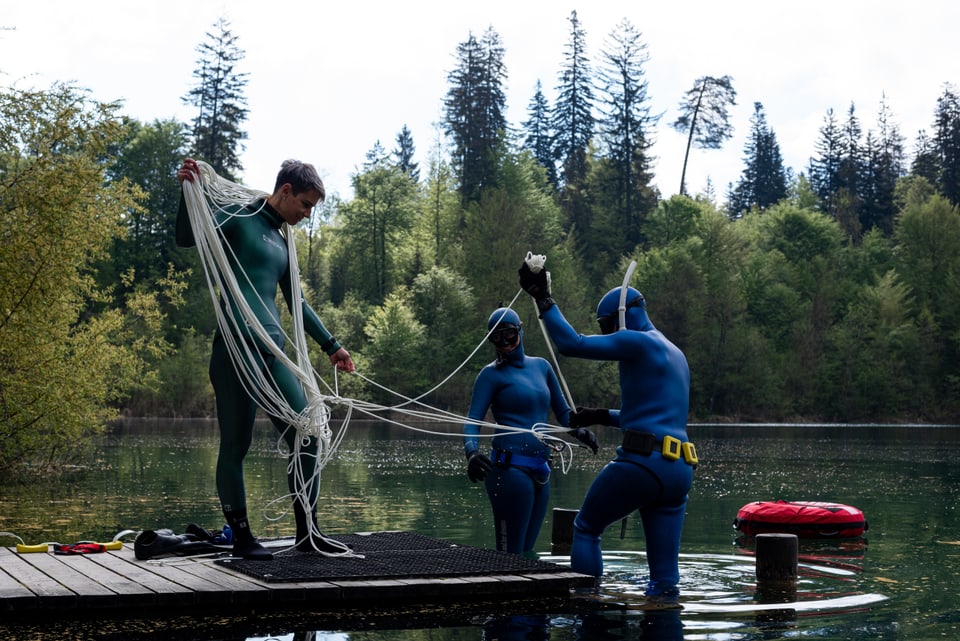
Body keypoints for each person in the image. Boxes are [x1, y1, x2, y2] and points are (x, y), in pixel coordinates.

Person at [176, 157, 355, 560]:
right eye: (306, 205)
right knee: (235, 445)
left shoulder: (284, 241)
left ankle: (308, 533)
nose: (307, 215)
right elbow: (190, 238)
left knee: (307, 434)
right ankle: (241, 538)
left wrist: (332, 346)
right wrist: (185, 193)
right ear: (286, 190)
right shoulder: (240, 217)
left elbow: (296, 301)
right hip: (235, 347)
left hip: (272, 351)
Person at [519, 259, 695, 607]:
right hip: (679, 470)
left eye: (607, 326)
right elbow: (652, 415)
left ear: (621, 316)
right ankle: (663, 615)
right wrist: (601, 415)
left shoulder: (637, 341)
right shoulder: (675, 353)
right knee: (663, 576)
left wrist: (544, 299)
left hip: (642, 465)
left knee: (585, 528)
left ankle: (589, 609)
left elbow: (572, 344)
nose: (608, 333)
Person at [463, 307, 598, 557]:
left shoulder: (542, 367)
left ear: (520, 331)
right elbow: (473, 420)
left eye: (509, 335)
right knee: (509, 555)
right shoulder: (490, 375)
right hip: (508, 471)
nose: (504, 343)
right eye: (496, 337)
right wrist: (471, 452)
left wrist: (581, 433)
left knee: (527, 552)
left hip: (541, 469)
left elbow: (564, 414)